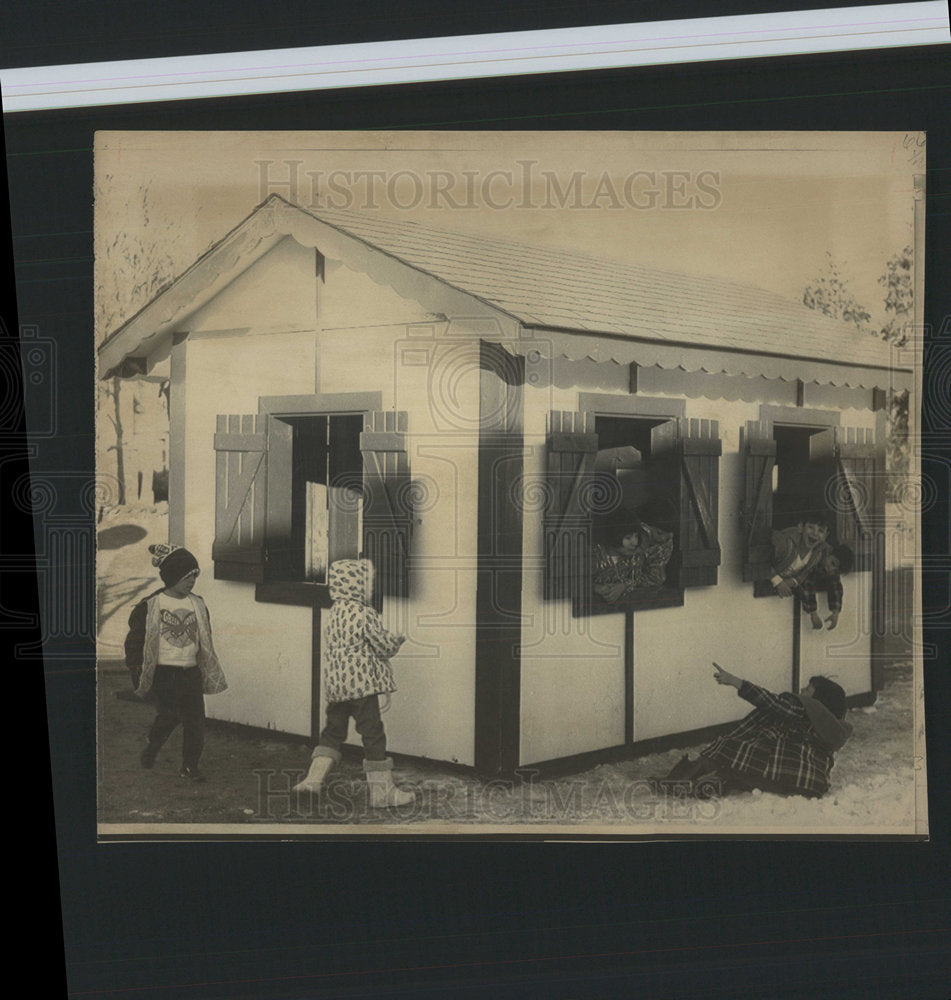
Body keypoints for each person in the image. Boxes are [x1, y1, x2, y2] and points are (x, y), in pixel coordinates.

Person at [292, 558, 414, 808]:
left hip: (338, 686)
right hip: (361, 686)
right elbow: (383, 646)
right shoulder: (364, 613)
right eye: (366, 583)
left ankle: (312, 780)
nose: (369, 588)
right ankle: (382, 793)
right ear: (357, 586)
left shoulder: (335, 612)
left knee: (333, 731)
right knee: (373, 734)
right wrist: (397, 640)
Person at [663, 663, 853, 799]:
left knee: (729, 754)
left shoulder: (808, 708)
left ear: (818, 699)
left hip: (785, 774)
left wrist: (738, 683)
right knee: (737, 775)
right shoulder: (828, 726)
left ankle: (681, 782)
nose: (802, 690)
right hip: (808, 784)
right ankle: (708, 784)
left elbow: (774, 703)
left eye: (808, 689)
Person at [125, 543, 228, 781]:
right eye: (185, 576)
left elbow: (204, 638)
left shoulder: (198, 604)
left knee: (195, 723)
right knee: (169, 716)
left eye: (193, 576)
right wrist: (136, 669)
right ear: (171, 576)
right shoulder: (151, 606)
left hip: (190, 672)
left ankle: (190, 767)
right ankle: (152, 744)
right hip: (164, 673)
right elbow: (134, 642)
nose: (191, 581)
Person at [592, 518, 674, 604]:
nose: (635, 542)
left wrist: (624, 586)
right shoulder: (596, 554)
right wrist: (596, 588)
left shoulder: (635, 555)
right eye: (628, 538)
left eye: (636, 536)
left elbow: (654, 578)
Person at [768, 515, 831, 598]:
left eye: (821, 531)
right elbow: (762, 562)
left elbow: (805, 572)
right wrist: (778, 581)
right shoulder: (785, 543)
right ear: (801, 527)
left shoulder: (818, 552)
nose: (815, 533)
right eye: (811, 527)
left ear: (825, 536)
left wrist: (793, 581)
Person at [796, 543, 854, 630]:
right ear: (829, 553)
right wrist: (813, 613)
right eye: (832, 563)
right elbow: (808, 582)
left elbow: (836, 585)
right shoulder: (816, 556)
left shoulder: (830, 569)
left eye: (835, 570)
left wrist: (835, 613)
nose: (831, 568)